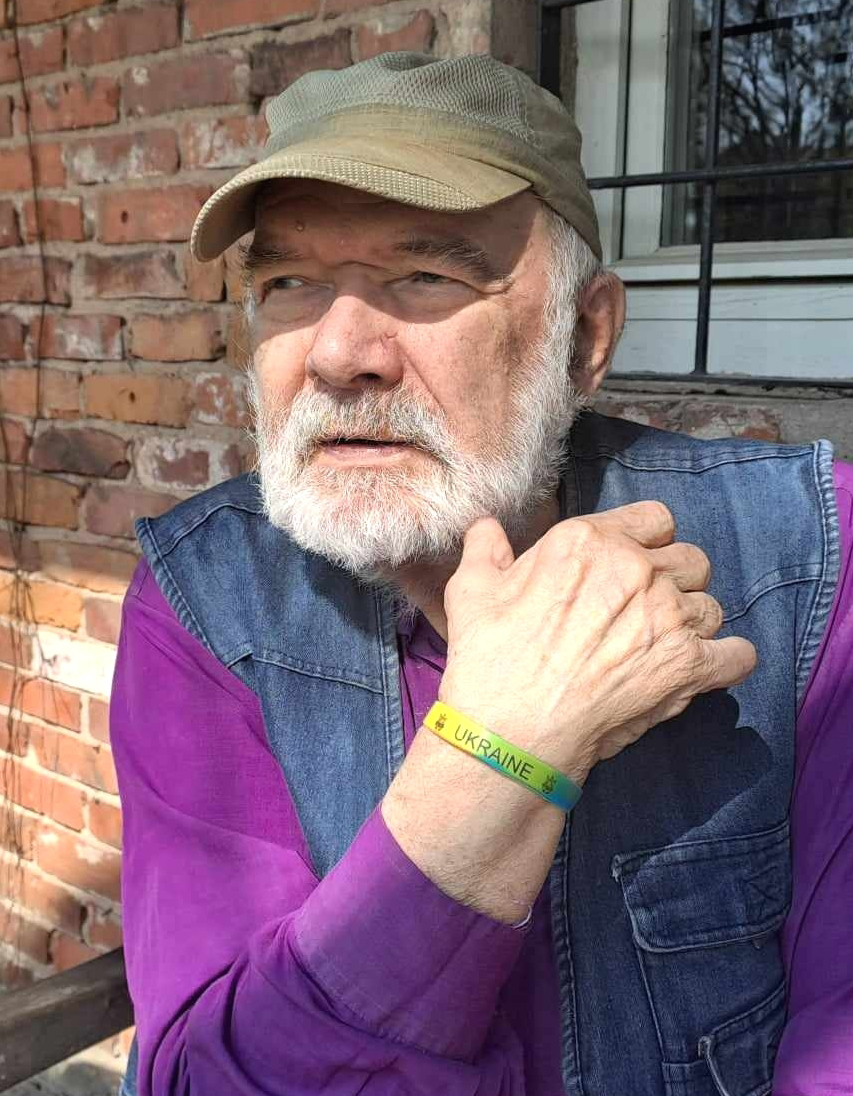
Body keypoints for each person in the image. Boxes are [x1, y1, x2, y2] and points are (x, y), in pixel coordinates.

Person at [112, 52, 853, 1096]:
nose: (337, 352)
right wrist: (500, 752)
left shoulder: (809, 560)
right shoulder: (204, 603)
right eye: (289, 283)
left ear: (583, 338)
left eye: (426, 276)